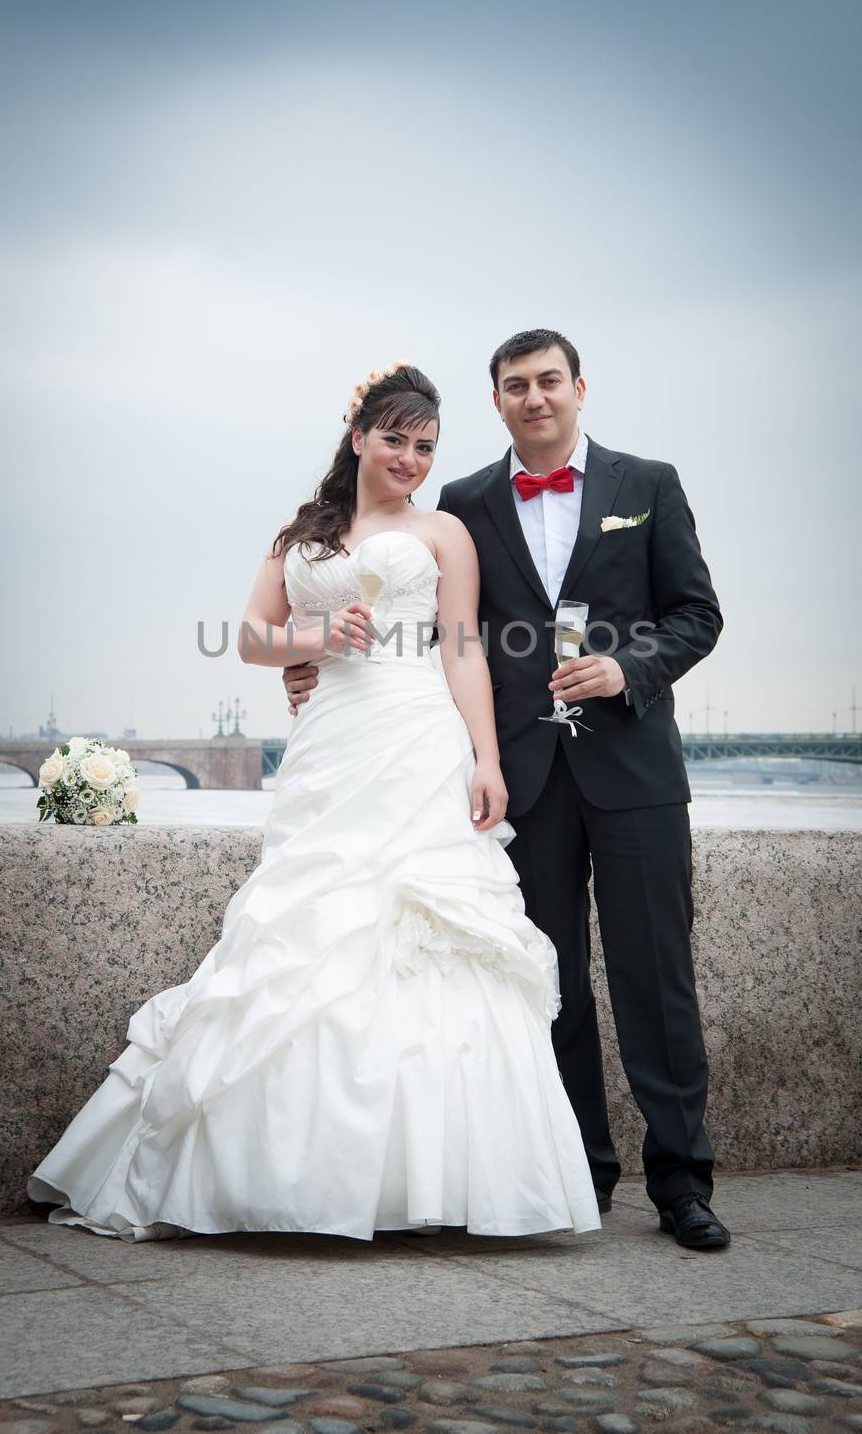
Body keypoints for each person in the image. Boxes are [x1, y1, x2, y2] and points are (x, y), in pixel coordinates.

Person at [25, 361, 602, 1242]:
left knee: (425, 932)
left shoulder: (445, 533)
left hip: (417, 740)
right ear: (358, 436)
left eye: (425, 446)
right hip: (332, 743)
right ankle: (285, 1177)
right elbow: (254, 637)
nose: (409, 458)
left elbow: (461, 653)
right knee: (308, 924)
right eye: (395, 439)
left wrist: (486, 759)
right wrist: (318, 635)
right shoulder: (298, 534)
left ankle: (441, 1180)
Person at [285, 330, 730, 1251]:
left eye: (548, 382)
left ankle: (682, 1182)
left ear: (578, 389)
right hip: (520, 779)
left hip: (636, 769)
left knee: (657, 977)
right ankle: (579, 1170)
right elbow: (447, 636)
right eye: (514, 386)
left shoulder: (647, 485)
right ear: (496, 402)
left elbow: (697, 614)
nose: (533, 398)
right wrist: (311, 666)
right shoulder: (463, 501)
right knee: (546, 981)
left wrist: (627, 670)